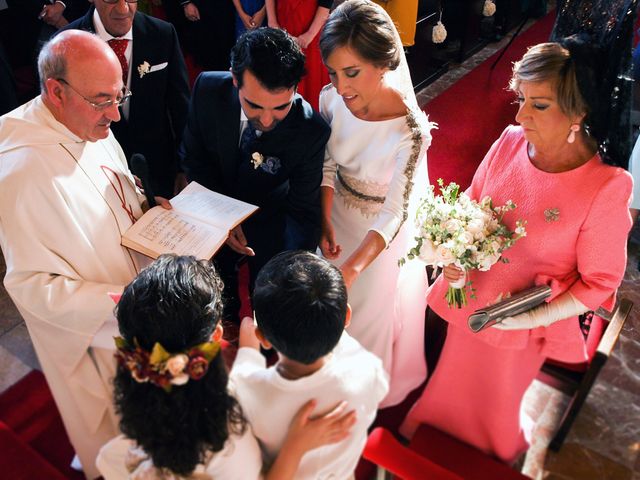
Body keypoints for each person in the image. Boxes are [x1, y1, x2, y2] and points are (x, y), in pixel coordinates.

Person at [401, 40, 634, 463]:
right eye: (521, 99)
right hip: (470, 302)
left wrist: (538, 316)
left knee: (494, 406)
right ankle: (427, 439)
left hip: (522, 327)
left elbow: (601, 282)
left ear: (579, 111)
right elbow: (472, 202)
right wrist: (453, 254)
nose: (520, 115)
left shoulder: (607, 187)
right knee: (449, 383)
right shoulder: (509, 141)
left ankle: (491, 459)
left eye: (538, 105)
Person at [0, 30, 170, 478]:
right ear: (55, 92)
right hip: (106, 331)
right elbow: (32, 288)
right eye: (101, 101)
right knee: (131, 441)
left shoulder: (87, 120)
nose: (115, 114)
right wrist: (130, 304)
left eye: (120, 96)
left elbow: (111, 191)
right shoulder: (20, 174)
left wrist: (147, 207)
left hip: (142, 292)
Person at [97, 254, 356, 479]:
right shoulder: (225, 435)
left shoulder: (143, 387)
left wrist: (248, 348)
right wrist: (297, 445)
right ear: (217, 335)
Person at [317, 0, 434, 407]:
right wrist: (324, 219)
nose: (342, 86)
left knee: (365, 314)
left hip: (379, 239)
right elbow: (329, 162)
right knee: (325, 311)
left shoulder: (411, 130)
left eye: (352, 73)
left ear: (383, 64)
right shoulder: (330, 100)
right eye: (334, 73)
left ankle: (359, 398)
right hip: (336, 217)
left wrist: (354, 266)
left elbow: (395, 212)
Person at [180, 27, 330, 325]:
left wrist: (283, 278)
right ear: (235, 79)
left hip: (270, 224)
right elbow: (193, 158)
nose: (265, 120)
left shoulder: (311, 131)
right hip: (210, 212)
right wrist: (222, 218)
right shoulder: (207, 89)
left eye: (281, 107)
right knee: (209, 306)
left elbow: (302, 212)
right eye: (254, 105)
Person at [231, 250, 389, 479]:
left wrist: (248, 345)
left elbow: (243, 371)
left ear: (263, 338)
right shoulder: (366, 369)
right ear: (346, 316)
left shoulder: (247, 392)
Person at [61, 0, 190, 198]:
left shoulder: (162, 34)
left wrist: (184, 167)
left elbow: (181, 107)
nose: (123, 8)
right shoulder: (66, 43)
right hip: (98, 175)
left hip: (158, 170)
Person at [265, 0, 331, 110]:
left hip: (312, 35)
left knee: (312, 84)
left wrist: (309, 36)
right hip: (281, 29)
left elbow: (325, 5)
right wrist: (273, 25)